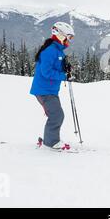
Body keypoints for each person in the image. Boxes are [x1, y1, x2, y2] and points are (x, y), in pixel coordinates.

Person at [30, 22, 75, 151]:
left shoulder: (57, 50)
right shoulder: (50, 51)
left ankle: (50, 140)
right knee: (57, 115)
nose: (69, 41)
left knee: (56, 114)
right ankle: (51, 143)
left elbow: (55, 66)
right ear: (61, 35)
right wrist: (64, 76)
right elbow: (46, 72)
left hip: (49, 90)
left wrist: (66, 68)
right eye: (69, 37)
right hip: (44, 90)